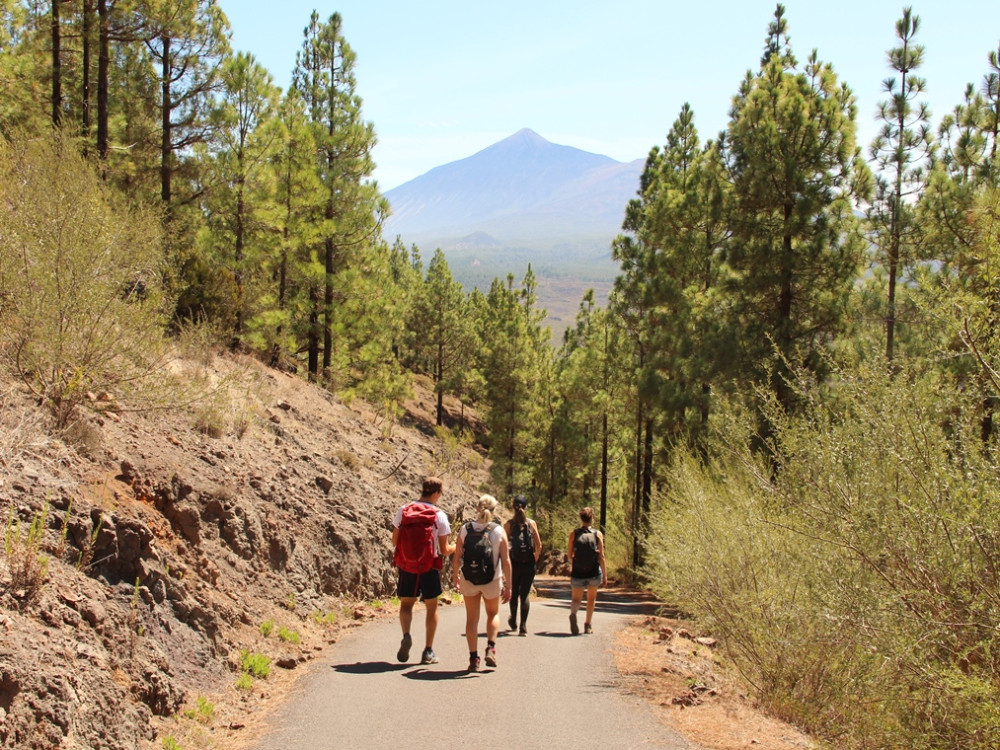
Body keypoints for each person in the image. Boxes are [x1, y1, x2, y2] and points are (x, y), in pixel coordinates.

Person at [391, 476, 454, 664]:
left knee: (406, 604)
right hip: (429, 566)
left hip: (407, 565)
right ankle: (428, 651)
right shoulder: (439, 515)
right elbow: (444, 550)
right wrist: (456, 547)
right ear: (435, 493)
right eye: (440, 494)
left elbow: (395, 541)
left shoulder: (404, 510)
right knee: (431, 607)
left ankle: (407, 635)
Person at [453, 494, 512, 671]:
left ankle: (473, 659)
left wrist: (456, 576)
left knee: (471, 619)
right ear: (494, 511)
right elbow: (506, 560)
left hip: (469, 579)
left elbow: (457, 557)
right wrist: (508, 585)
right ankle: (491, 648)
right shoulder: (498, 531)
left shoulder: (465, 529)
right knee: (493, 613)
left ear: (477, 508)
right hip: (492, 579)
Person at [503, 494, 541, 636]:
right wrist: (535, 557)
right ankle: (523, 627)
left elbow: (505, 546)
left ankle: (513, 620)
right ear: (526, 507)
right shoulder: (531, 524)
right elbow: (539, 545)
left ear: (513, 507)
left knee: (514, 594)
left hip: (514, 564)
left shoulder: (508, 525)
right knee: (524, 594)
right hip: (528, 564)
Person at [567, 506, 607, 635]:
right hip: (593, 572)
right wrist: (605, 575)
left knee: (576, 600)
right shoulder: (598, 534)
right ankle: (588, 625)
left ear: (581, 518)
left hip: (578, 572)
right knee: (591, 599)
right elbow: (601, 557)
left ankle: (573, 613)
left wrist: (576, 564)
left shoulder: (574, 534)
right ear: (592, 518)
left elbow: (569, 555)